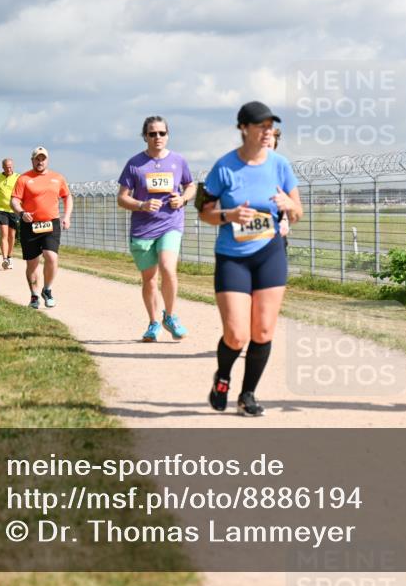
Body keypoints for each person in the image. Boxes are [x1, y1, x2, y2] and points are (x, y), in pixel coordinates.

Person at [199, 101, 303, 416]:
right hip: (233, 257)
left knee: (263, 332)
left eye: (270, 126)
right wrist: (228, 215)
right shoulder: (224, 167)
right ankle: (223, 377)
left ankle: (248, 394)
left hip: (269, 254)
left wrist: (289, 203)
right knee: (237, 334)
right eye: (260, 126)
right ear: (243, 128)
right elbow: (205, 213)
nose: (266, 131)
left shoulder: (280, 165)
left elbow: (297, 212)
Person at [117, 116, 196, 341]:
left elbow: (190, 186)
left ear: (168, 135)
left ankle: (170, 316)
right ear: (145, 137)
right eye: (152, 133)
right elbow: (122, 198)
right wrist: (141, 204)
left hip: (170, 223)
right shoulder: (135, 164)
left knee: (168, 267)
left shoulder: (178, 161)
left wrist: (182, 199)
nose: (157, 137)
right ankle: (153, 323)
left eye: (161, 133)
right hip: (142, 229)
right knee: (149, 278)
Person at [11, 146, 72, 309]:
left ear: (47, 160)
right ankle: (34, 295)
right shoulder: (23, 179)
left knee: (51, 256)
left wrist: (66, 216)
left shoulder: (57, 178)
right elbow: (14, 201)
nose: (40, 162)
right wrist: (21, 212)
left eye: (43, 158)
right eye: (37, 159)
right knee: (32, 263)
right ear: (32, 160)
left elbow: (67, 197)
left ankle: (47, 289)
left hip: (51, 223)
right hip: (30, 225)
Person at [0, 158, 20, 270]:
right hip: (1, 209)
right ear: (3, 167)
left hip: (14, 210)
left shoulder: (18, 177)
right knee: (4, 234)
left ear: (13, 166)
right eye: (6, 167)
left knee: (12, 236)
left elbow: (24, 191)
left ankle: (10, 257)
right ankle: (5, 259)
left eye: (10, 166)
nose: (8, 169)